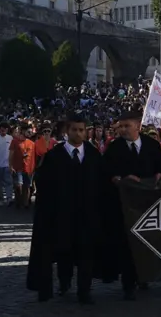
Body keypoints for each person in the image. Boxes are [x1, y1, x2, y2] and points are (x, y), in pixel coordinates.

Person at [27, 112, 106, 305]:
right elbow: (43, 186)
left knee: (86, 254)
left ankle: (84, 291)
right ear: (66, 131)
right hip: (61, 216)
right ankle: (64, 283)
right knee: (64, 253)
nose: (78, 134)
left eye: (81, 130)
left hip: (87, 216)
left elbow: (101, 184)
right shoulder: (53, 157)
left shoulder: (94, 156)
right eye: (74, 130)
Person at [103, 111, 161, 300]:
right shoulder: (113, 148)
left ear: (138, 126)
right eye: (120, 126)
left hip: (148, 203)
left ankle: (144, 276)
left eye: (126, 126)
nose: (122, 130)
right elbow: (107, 172)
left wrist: (159, 176)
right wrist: (119, 179)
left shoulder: (152, 145)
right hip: (124, 205)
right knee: (127, 243)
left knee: (147, 240)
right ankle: (128, 282)